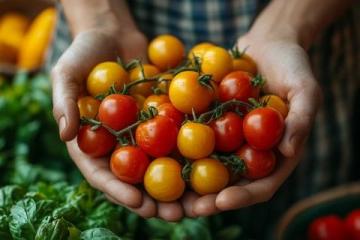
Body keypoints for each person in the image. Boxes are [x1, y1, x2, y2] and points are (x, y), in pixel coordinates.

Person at [50, 0, 359, 235]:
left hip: (309, 40)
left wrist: (288, 26)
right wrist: (98, 20)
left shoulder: (233, 100)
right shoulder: (153, 111)